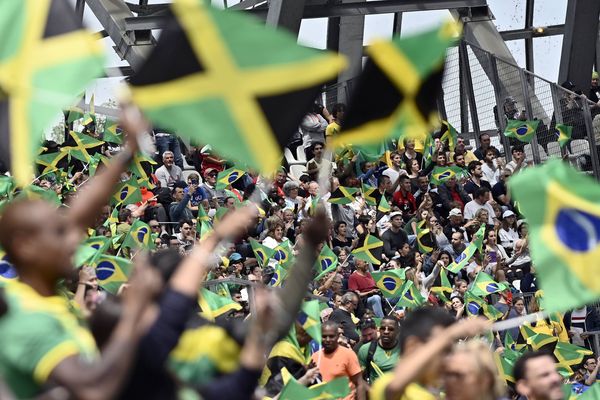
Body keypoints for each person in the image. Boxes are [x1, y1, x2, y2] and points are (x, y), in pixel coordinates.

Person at [0, 105, 162, 399]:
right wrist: (133, 314)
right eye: (59, 233)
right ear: (25, 245)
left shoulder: (36, 293)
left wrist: (128, 150)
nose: (74, 241)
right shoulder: (26, 318)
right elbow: (93, 387)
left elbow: (79, 215)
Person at [369, 308, 490, 400]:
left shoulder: (443, 394)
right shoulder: (387, 385)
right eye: (443, 350)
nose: (448, 359)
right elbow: (394, 388)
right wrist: (450, 334)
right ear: (413, 346)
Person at [312, 321, 366, 400]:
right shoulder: (315, 357)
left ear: (337, 336)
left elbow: (359, 383)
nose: (327, 339)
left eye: (331, 336)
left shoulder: (348, 355)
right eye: (324, 336)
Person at [358, 316, 401, 384]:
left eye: (390, 329)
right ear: (379, 329)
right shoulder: (365, 349)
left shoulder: (406, 348)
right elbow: (359, 380)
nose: (386, 332)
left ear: (398, 331)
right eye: (383, 328)